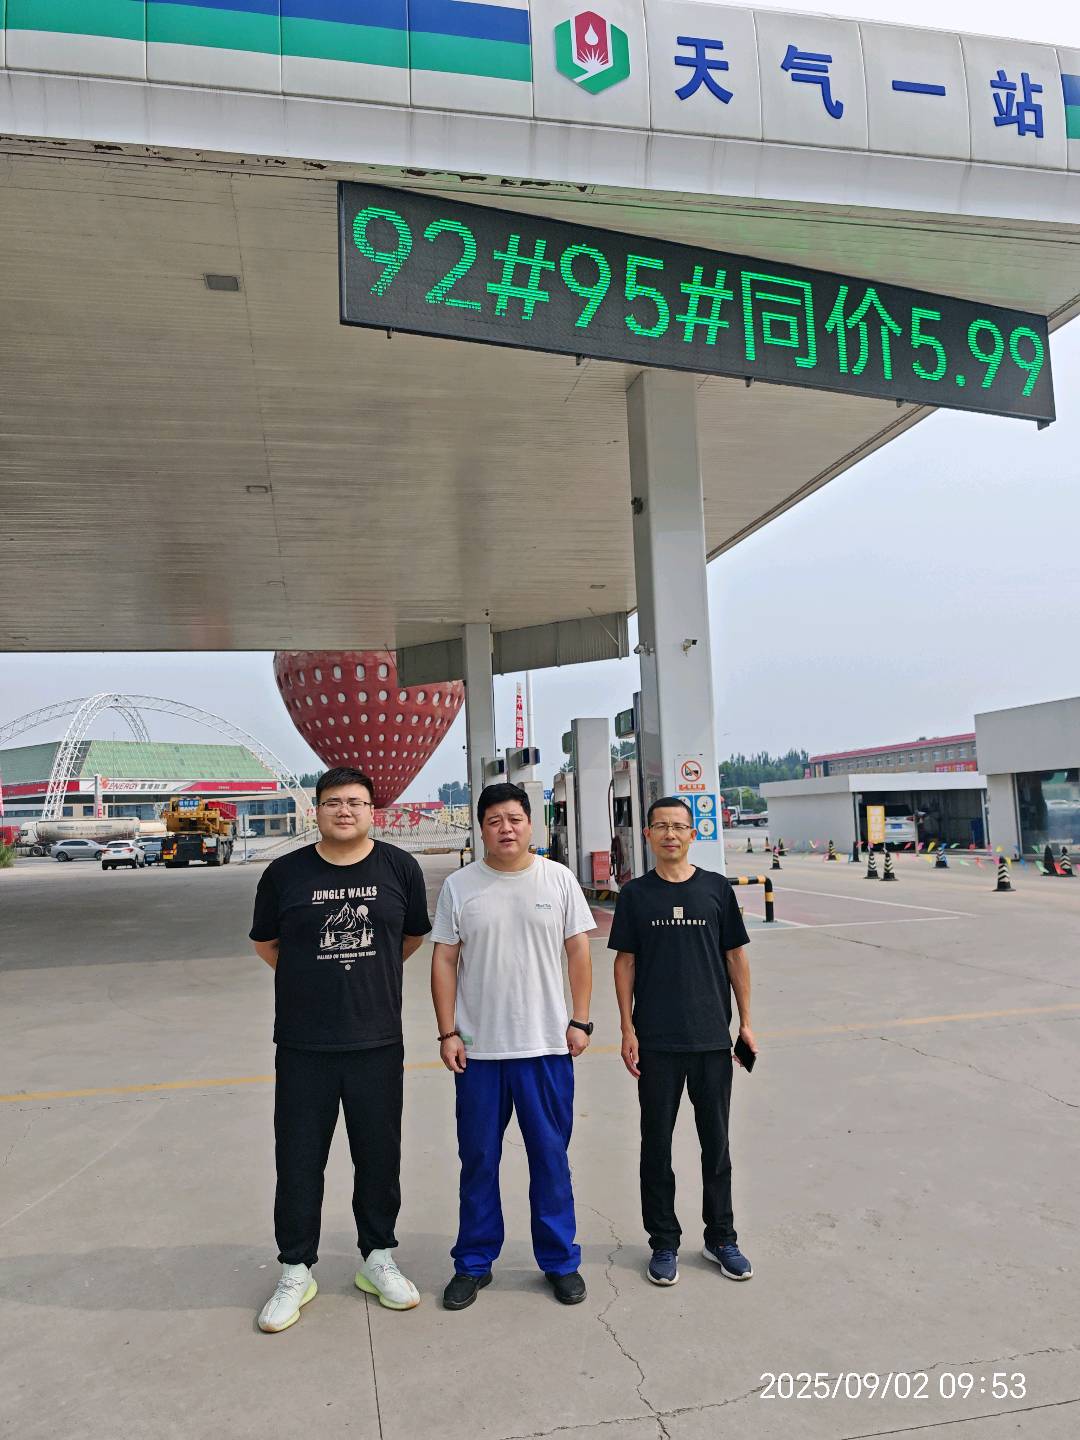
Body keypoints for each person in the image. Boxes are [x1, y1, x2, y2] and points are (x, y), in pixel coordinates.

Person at [249, 766, 431, 1332]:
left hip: (377, 1040)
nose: (344, 811)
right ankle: (295, 1268)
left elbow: (410, 937)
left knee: (378, 1155)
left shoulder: (400, 867)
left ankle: (377, 1257)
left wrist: (368, 977)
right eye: (333, 802)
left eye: (355, 802)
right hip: (303, 1043)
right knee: (299, 1158)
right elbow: (267, 944)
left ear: (372, 811)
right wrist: (312, 980)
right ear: (317, 811)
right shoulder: (284, 873)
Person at [430, 782, 595, 1310]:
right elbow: (444, 959)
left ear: (530, 824)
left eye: (515, 818)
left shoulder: (558, 879)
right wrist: (448, 1032)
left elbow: (579, 952)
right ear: (481, 828)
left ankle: (560, 1261)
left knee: (550, 1159)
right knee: (478, 1159)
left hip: (545, 1047)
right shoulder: (460, 886)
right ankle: (473, 1263)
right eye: (494, 820)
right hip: (479, 1052)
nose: (506, 828)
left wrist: (580, 1021)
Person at [609, 796, 756, 1288]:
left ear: (693, 834)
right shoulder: (635, 895)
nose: (670, 834)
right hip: (656, 1042)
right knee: (656, 1146)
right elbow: (624, 963)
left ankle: (721, 1237)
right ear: (647, 835)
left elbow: (735, 957)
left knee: (716, 1144)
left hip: (711, 1039)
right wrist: (627, 1029)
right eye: (661, 826)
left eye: (678, 826)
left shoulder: (716, 889)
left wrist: (746, 1024)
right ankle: (664, 1241)